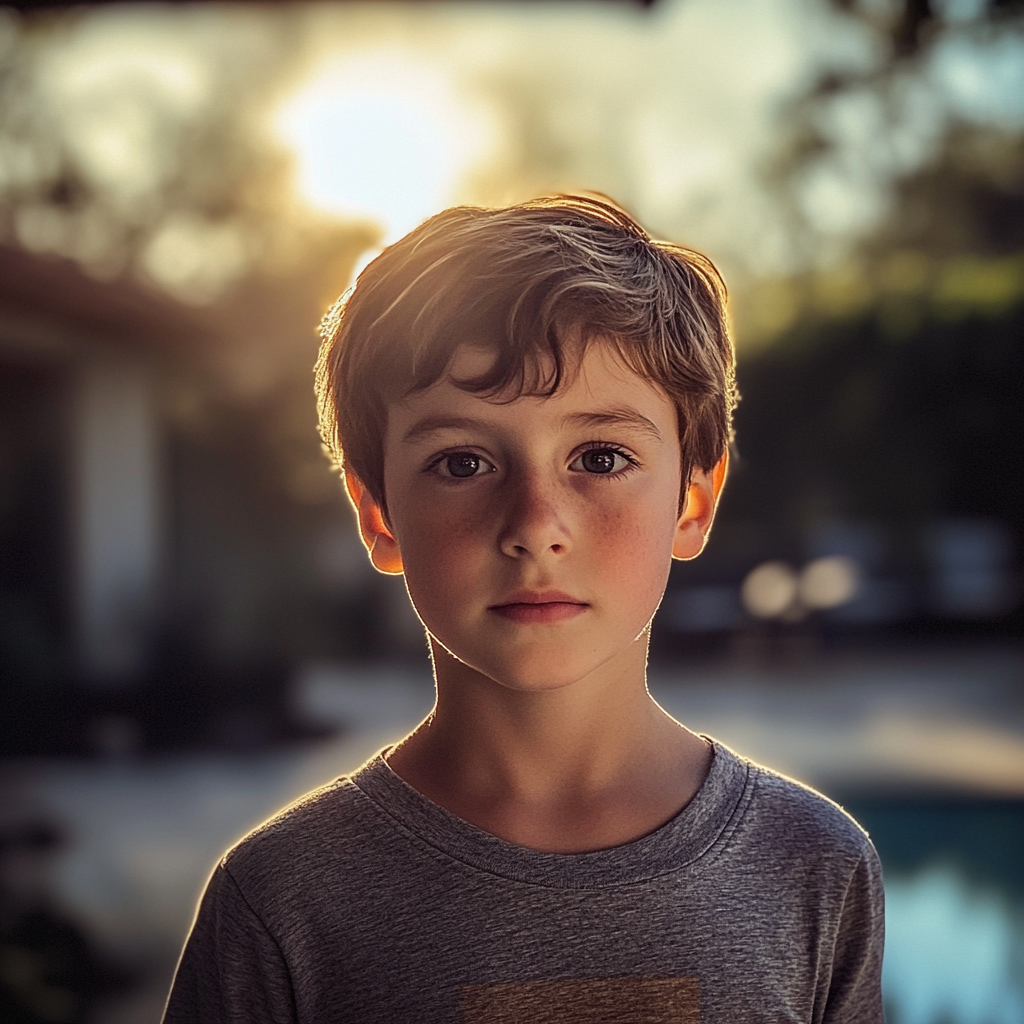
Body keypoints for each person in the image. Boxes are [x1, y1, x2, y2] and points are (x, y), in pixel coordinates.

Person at [162, 196, 884, 1023]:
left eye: (601, 456)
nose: (536, 525)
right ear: (378, 515)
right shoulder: (280, 902)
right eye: (463, 461)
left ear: (692, 501)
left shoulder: (816, 867)